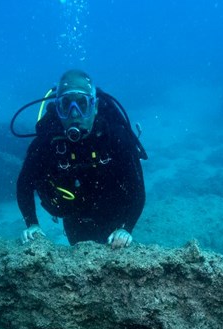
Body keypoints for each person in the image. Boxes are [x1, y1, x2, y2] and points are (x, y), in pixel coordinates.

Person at [15, 70, 146, 248]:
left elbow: (137, 189)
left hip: (115, 214)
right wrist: (32, 224)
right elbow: (24, 184)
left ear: (96, 106)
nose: (74, 114)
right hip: (74, 216)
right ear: (57, 109)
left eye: (82, 105)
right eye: (66, 105)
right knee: (80, 252)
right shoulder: (46, 142)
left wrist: (126, 228)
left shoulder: (116, 136)